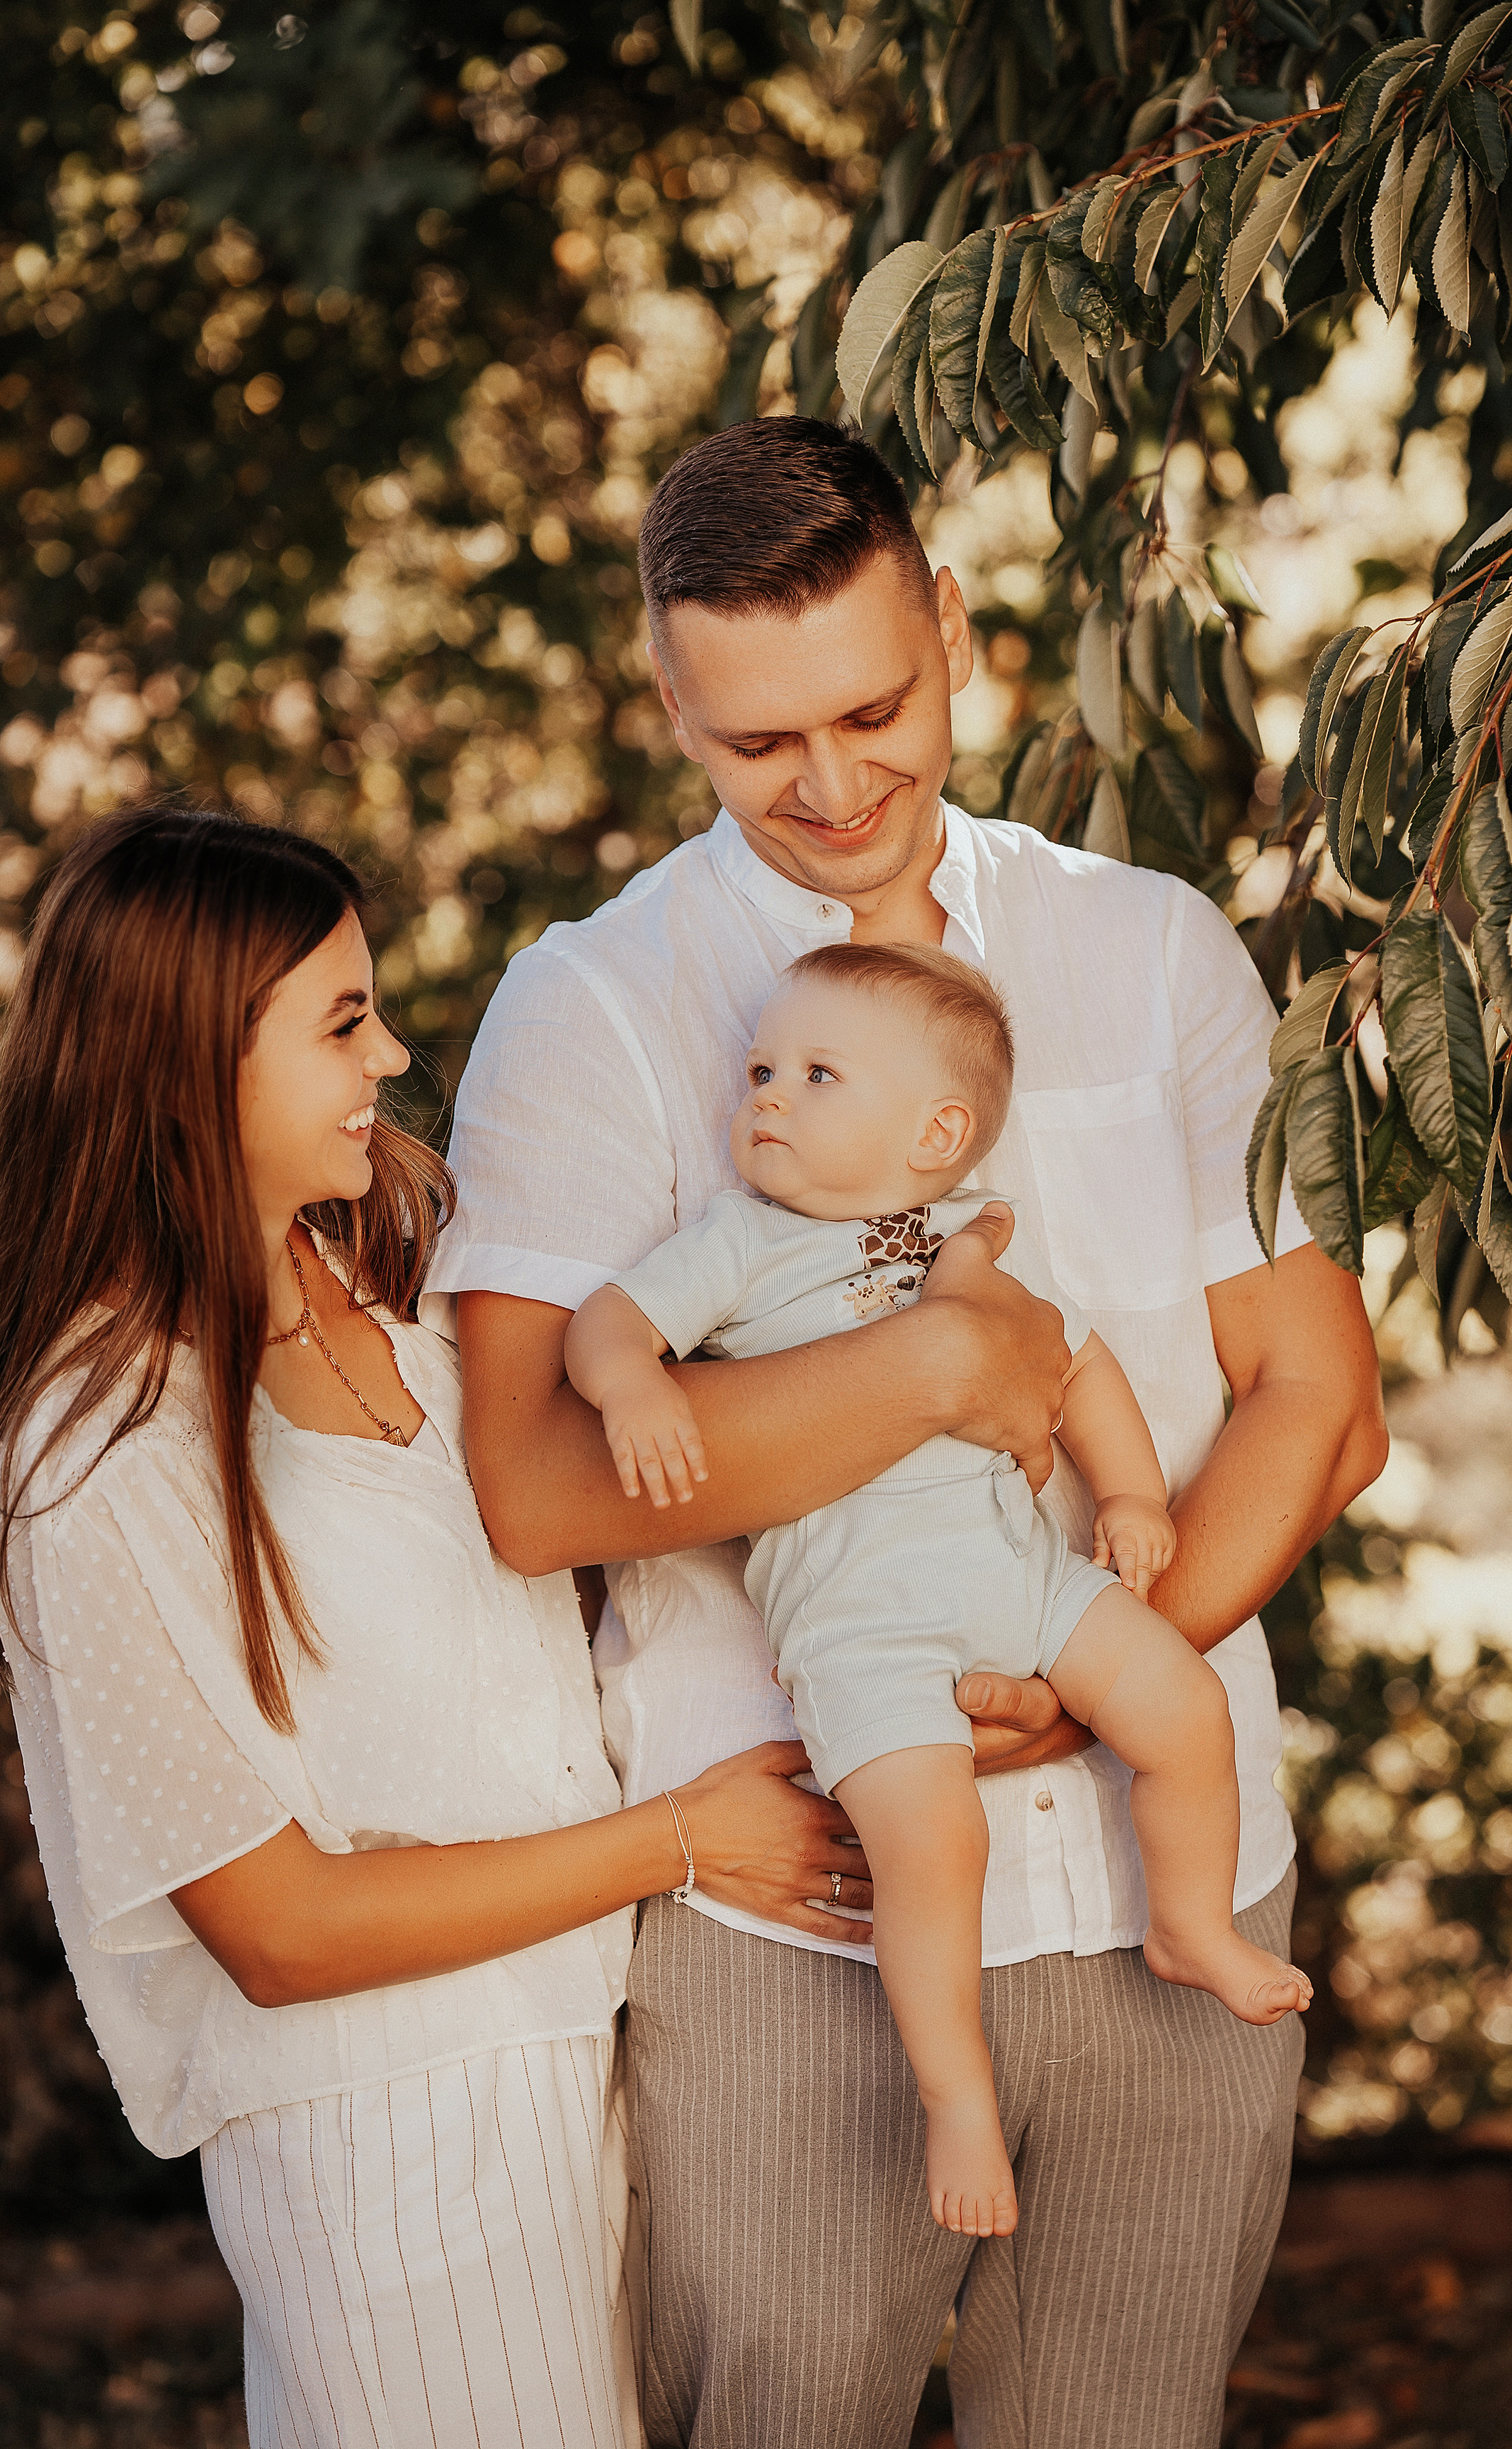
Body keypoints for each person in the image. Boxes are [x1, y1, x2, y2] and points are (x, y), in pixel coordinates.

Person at [436, 417, 1389, 2449]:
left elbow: (1321, 1395)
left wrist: (1083, 1687)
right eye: (759, 745)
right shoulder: (588, 1011)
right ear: (671, 705)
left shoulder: (1155, 954)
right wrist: (942, 1378)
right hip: (798, 1917)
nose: (837, 786)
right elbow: (530, 1488)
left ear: (954, 628)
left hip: (1172, 1901)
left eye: (878, 708)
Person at [0, 803, 873, 2449]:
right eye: (339, 1021)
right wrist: (679, 1840)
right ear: (189, 1060)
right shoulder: (94, 1449)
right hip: (388, 2146)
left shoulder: (370, 1270)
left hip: (582, 2059)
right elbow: (279, 1929)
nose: (391, 1049)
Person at [568, 940, 1313, 2241]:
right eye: (759, 1071)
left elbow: (1074, 1366)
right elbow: (610, 1326)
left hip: (1025, 1580)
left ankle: (1191, 1922)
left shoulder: (960, 1238)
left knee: (1186, 1710)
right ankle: (957, 2097)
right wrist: (635, 1386)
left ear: (939, 1132)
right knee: (933, 1847)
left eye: (815, 1073)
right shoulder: (742, 1242)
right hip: (864, 1634)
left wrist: (1133, 1497)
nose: (768, 1098)